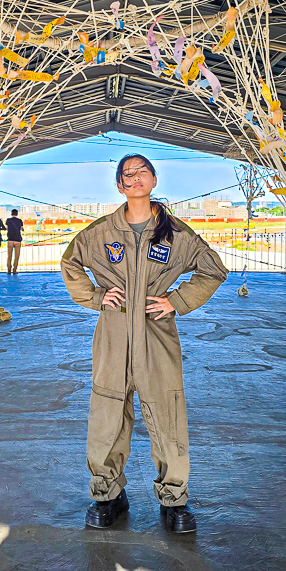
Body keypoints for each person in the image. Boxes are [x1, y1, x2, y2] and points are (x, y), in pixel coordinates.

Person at [61, 154, 228, 533]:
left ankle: (174, 500)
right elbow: (70, 262)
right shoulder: (99, 233)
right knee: (108, 413)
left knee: (167, 415)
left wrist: (177, 300)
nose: (135, 178)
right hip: (113, 336)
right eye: (127, 174)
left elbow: (213, 268)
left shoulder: (175, 235)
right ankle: (107, 495)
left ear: (153, 179)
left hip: (157, 338)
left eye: (142, 172)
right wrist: (94, 296)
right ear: (119, 185)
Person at [5, 209, 24, 274]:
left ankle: (9, 270)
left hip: (10, 239)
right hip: (17, 240)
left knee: (9, 256)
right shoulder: (19, 221)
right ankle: (15, 270)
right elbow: (22, 229)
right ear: (17, 214)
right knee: (17, 256)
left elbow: (7, 228)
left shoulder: (8, 220)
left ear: (11, 213)